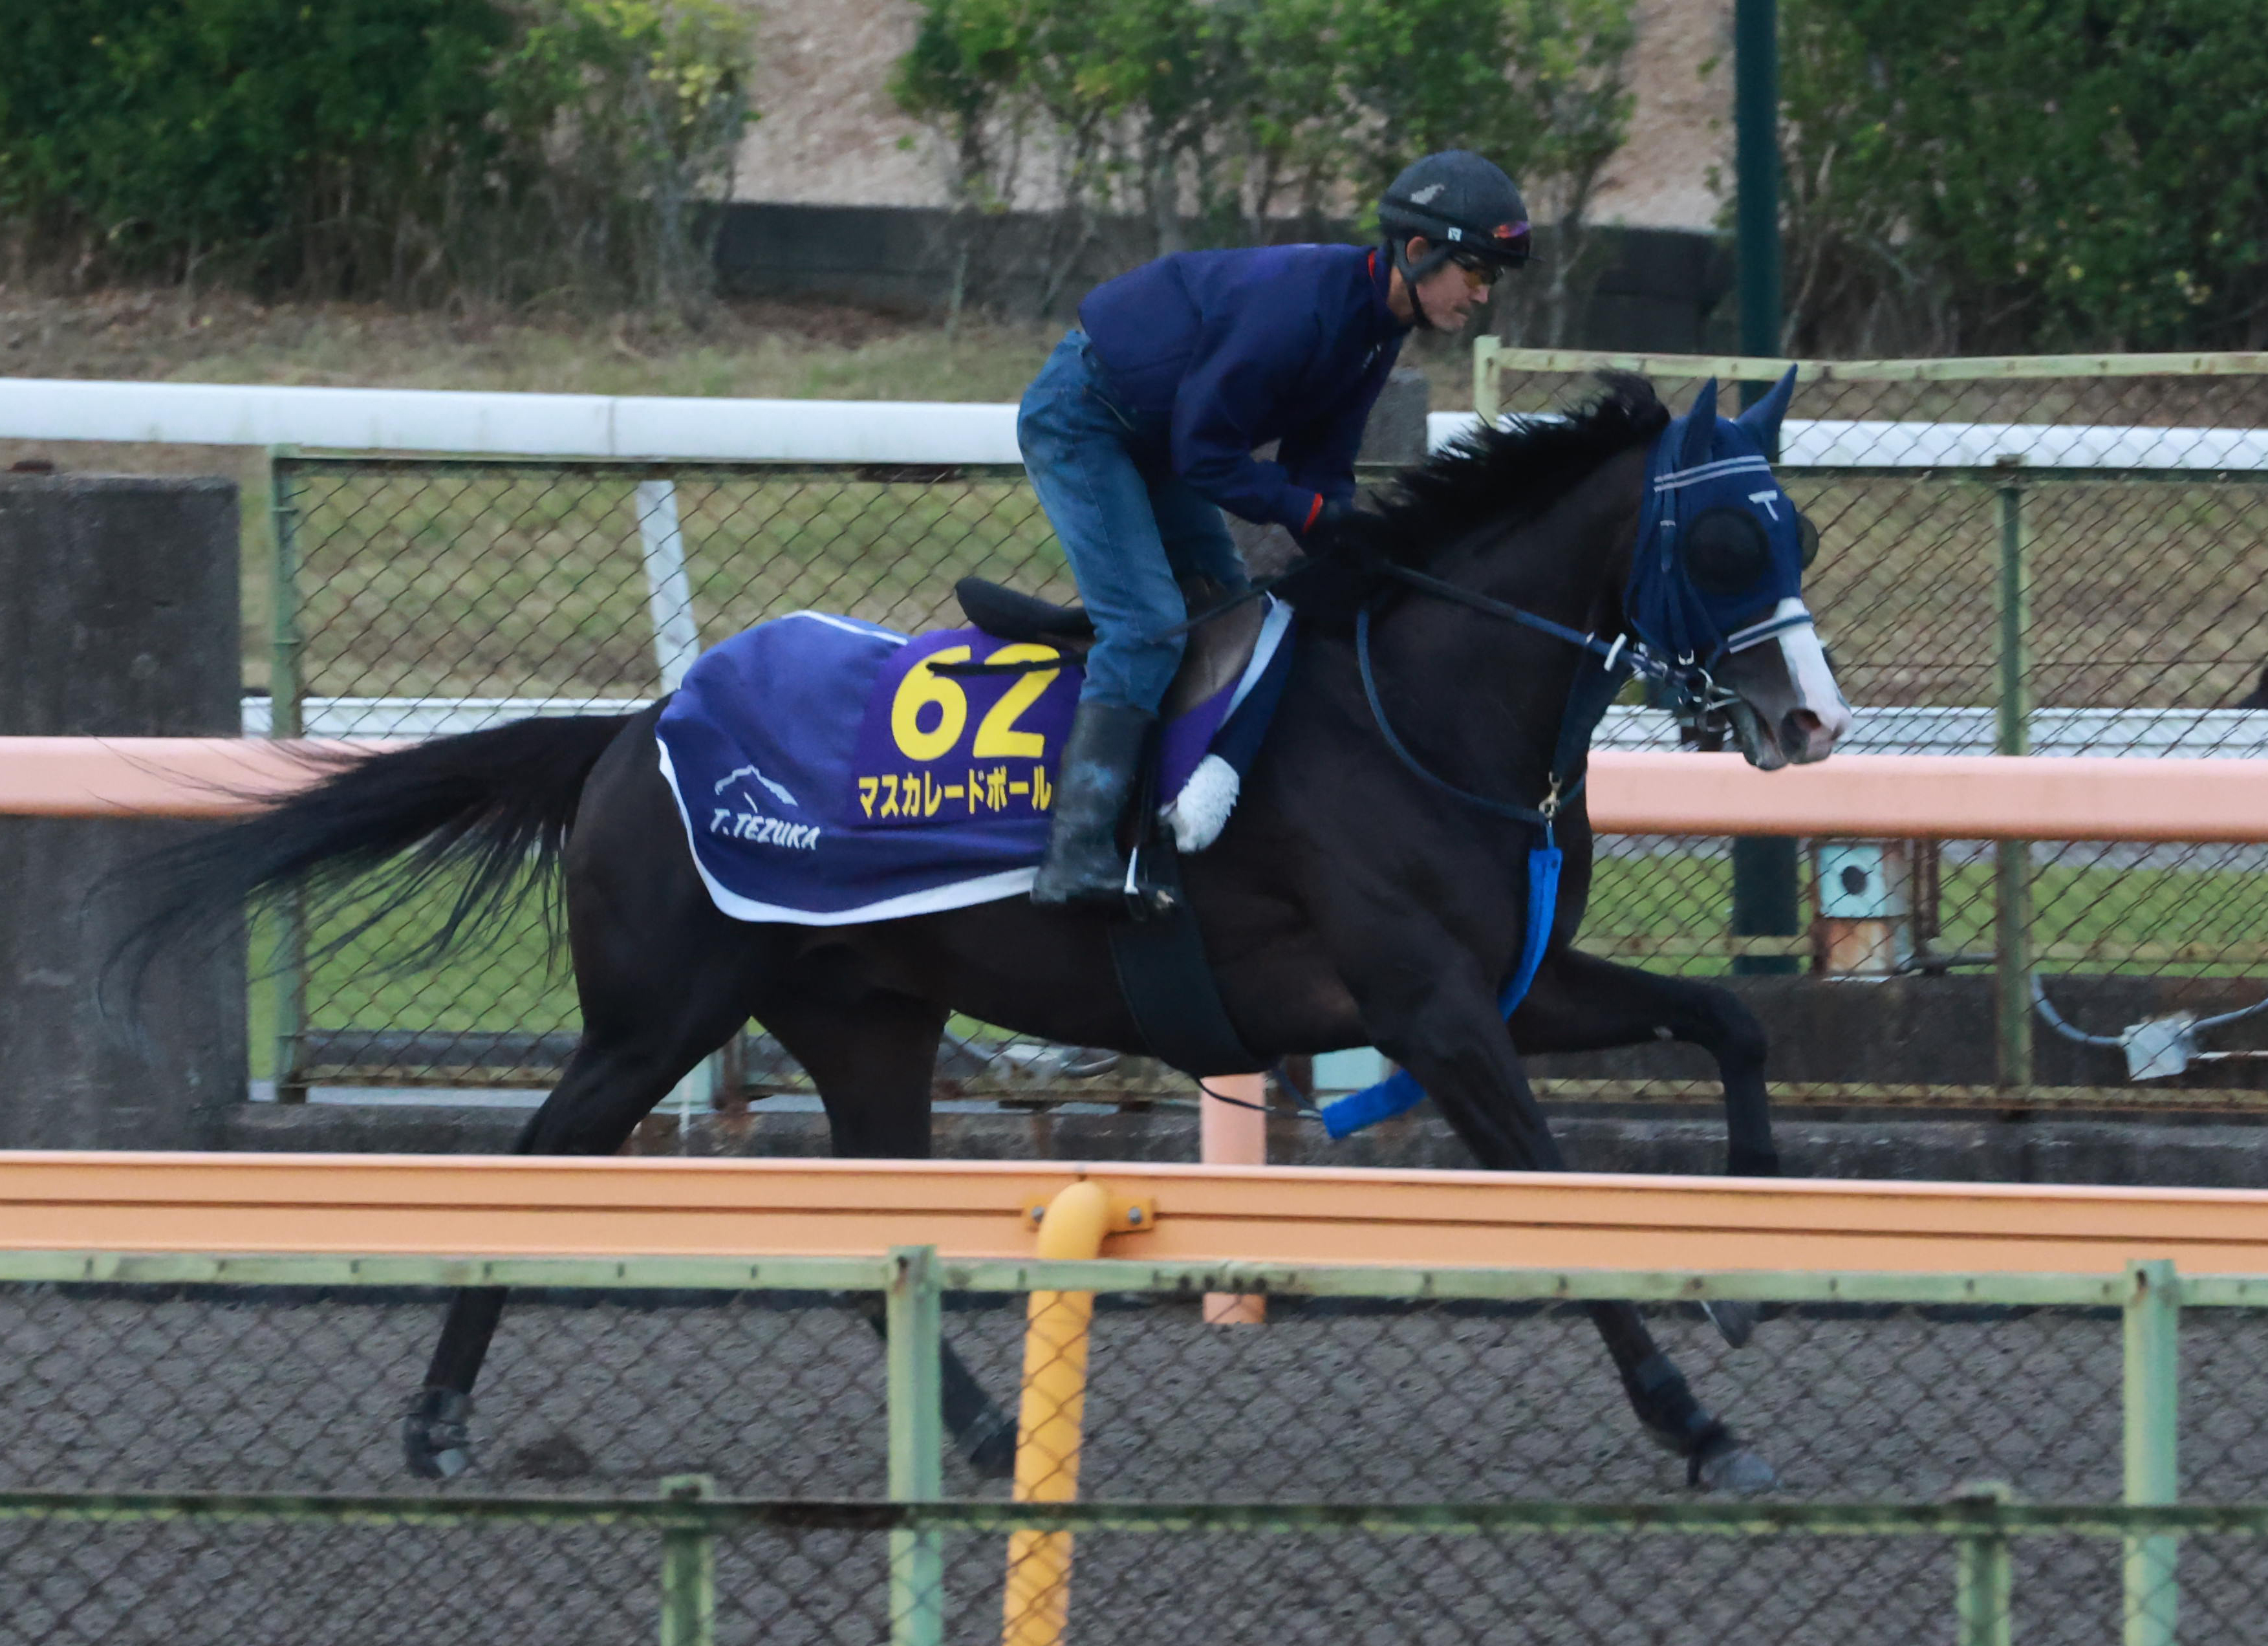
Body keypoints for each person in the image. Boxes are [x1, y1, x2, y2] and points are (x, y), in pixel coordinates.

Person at [1015, 149, 1533, 906]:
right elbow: (1207, 455)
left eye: (1493, 278)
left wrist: (1348, 546)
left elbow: (1322, 468)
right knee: (1149, 626)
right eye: (1478, 272)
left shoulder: (1378, 331)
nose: (1484, 294)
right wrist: (1315, 517)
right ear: (1419, 252)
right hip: (1086, 419)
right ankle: (1077, 853)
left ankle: (1177, 824)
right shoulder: (1302, 308)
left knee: (1235, 615)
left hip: (1162, 436)